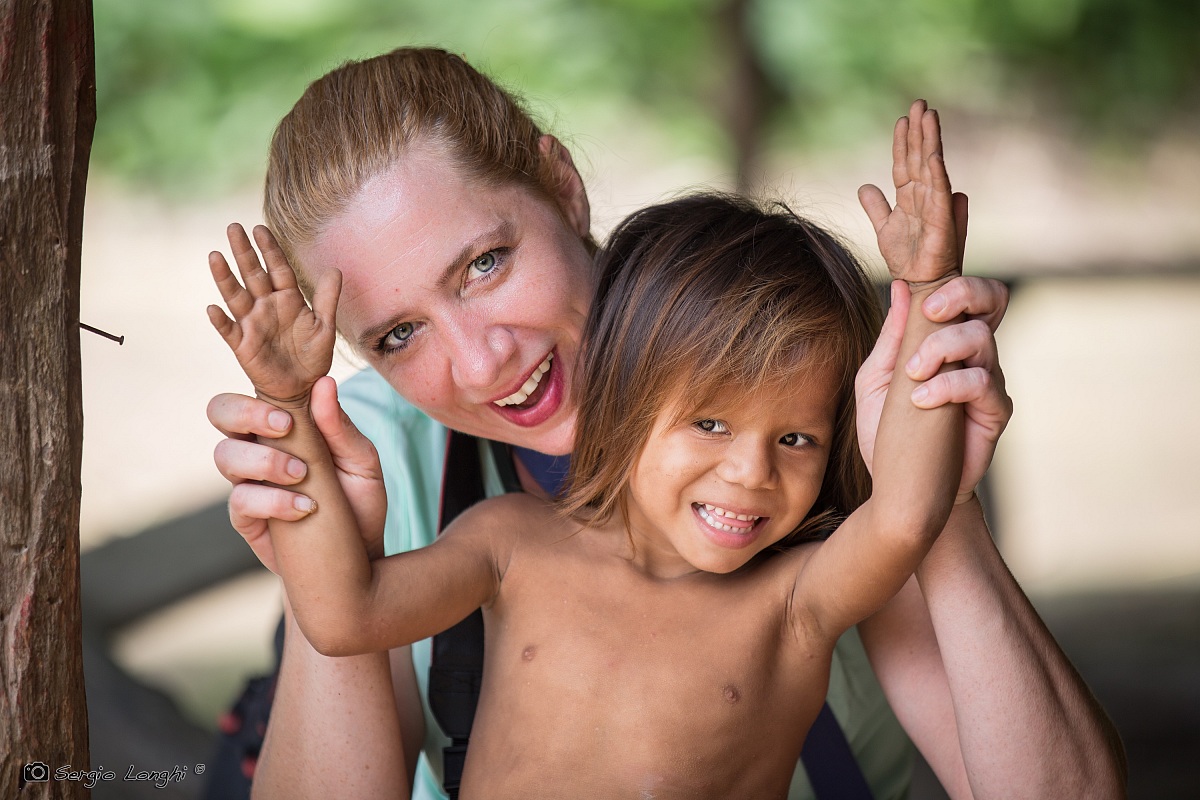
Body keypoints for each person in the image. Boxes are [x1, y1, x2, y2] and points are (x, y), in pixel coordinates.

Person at [206, 48, 1125, 799]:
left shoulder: (803, 397)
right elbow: (343, 617)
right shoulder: (385, 458)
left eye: (485, 264)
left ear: (562, 187)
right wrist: (312, 520)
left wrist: (934, 489)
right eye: (400, 334)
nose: (482, 364)